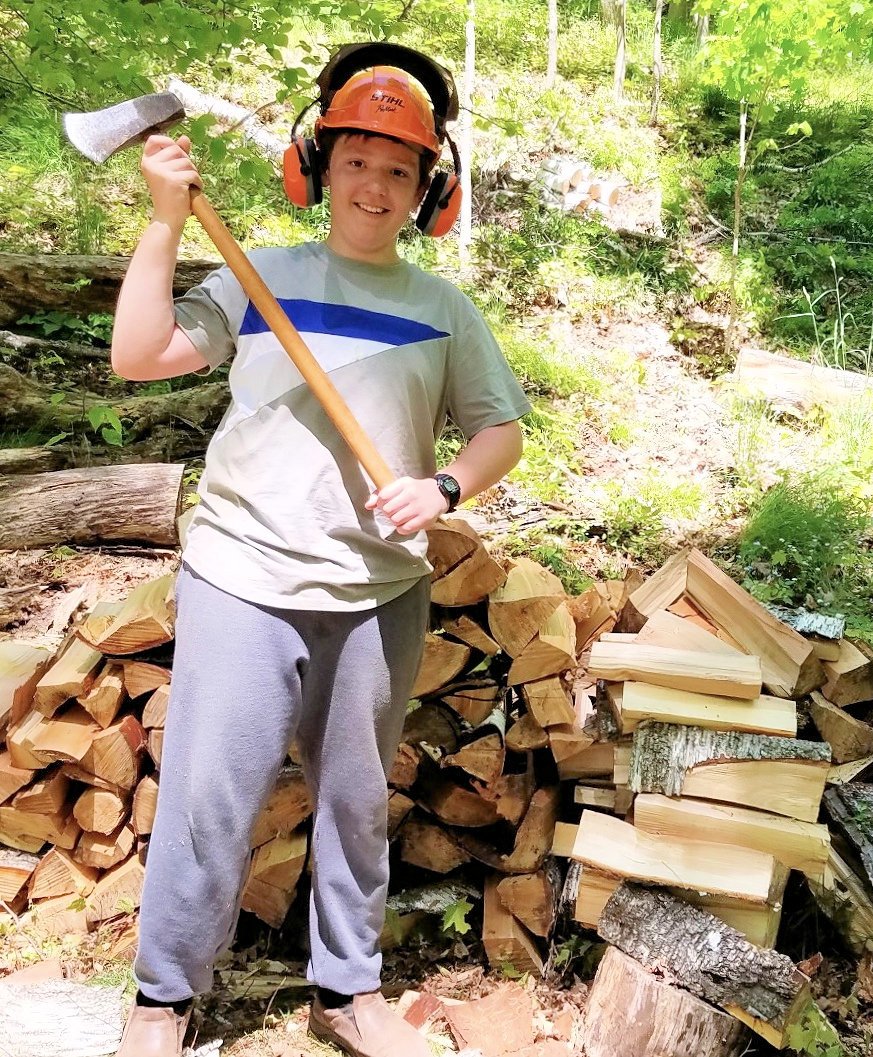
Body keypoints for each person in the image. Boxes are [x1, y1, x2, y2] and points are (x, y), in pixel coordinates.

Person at [110, 44, 530, 1057]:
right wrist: (167, 224)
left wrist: (441, 487)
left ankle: (347, 989)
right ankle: (163, 1000)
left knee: (352, 801)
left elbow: (499, 430)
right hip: (242, 577)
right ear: (315, 165)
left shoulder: (442, 311)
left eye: (399, 170)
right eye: (355, 161)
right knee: (210, 795)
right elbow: (137, 355)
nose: (373, 185)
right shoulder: (261, 276)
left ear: (431, 191)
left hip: (377, 592)